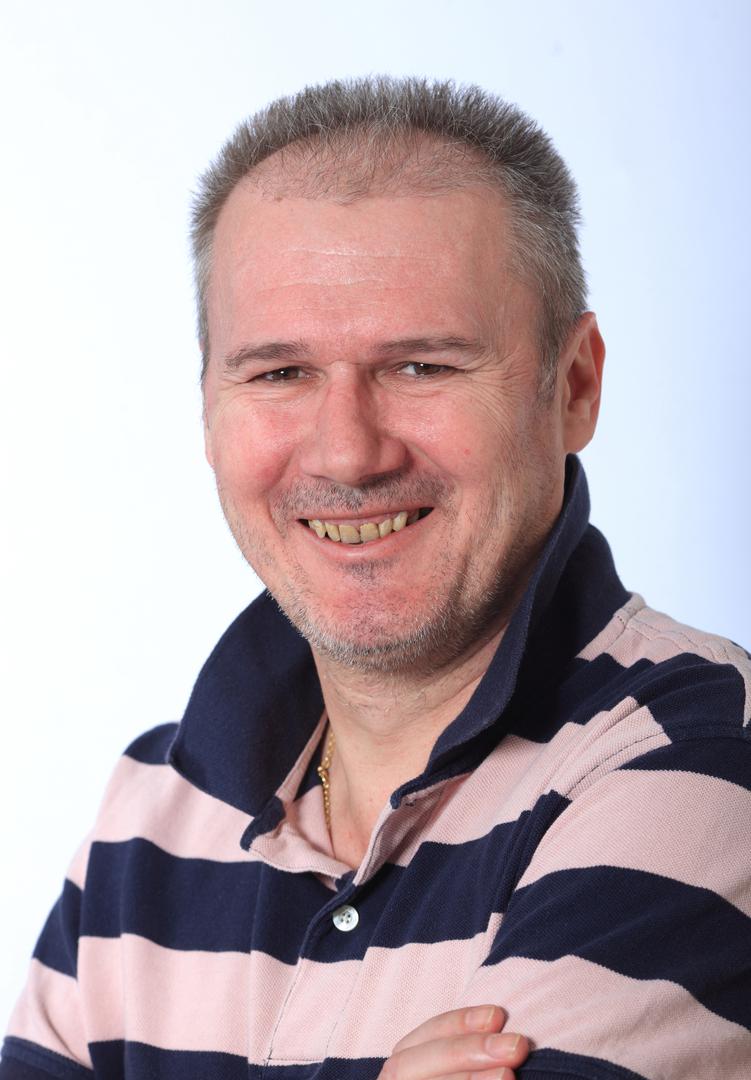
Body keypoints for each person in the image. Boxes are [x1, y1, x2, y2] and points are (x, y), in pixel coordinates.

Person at [2, 76, 749, 1080]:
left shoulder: (695, 762)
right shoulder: (153, 810)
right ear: (207, 403)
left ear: (572, 387)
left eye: (421, 366)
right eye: (279, 373)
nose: (348, 454)